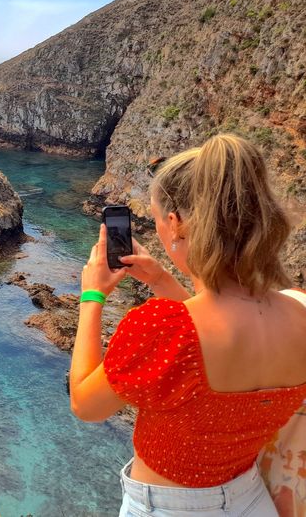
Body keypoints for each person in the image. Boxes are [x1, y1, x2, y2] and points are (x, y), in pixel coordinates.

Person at [69, 134, 306, 516]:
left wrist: (92, 297)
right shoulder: (298, 311)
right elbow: (215, 338)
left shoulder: (163, 327)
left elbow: (86, 405)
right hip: (252, 500)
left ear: (175, 224)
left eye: (158, 216)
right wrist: (163, 281)